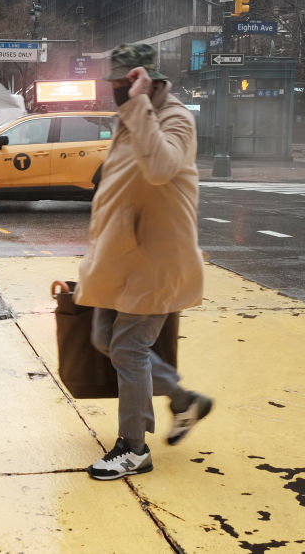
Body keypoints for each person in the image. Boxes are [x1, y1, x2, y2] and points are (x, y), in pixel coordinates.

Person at [75, 43, 211, 481]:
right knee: (103, 338)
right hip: (120, 258)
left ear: (146, 80)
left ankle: (133, 447)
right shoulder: (130, 117)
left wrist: (137, 108)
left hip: (155, 259)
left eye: (123, 82)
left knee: (128, 348)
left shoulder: (175, 118)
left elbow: (160, 169)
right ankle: (182, 398)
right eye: (113, 83)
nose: (115, 90)